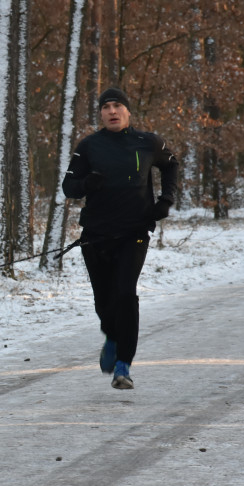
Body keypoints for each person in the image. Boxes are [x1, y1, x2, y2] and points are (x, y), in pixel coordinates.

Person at [62, 88, 180, 390]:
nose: (112, 111)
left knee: (125, 295)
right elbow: (69, 187)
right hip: (95, 236)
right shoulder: (89, 146)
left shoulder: (148, 142)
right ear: (101, 114)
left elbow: (171, 165)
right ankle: (112, 337)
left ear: (128, 112)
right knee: (104, 302)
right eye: (106, 107)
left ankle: (123, 366)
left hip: (134, 233)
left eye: (118, 106)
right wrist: (88, 182)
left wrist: (165, 201)